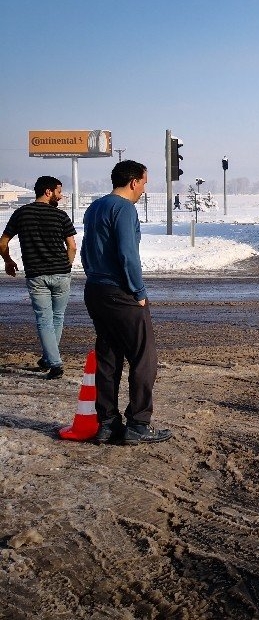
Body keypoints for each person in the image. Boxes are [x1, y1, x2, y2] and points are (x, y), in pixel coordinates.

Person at [81, 160, 171, 445]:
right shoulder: (124, 209)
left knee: (108, 357)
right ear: (134, 182)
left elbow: (85, 250)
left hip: (95, 289)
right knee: (144, 358)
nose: (144, 188)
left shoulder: (95, 207)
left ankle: (107, 423)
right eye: (144, 182)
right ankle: (138, 424)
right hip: (122, 293)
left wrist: (96, 275)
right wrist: (139, 291)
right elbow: (128, 255)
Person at [0, 176, 77, 379]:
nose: (61, 197)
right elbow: (72, 246)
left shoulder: (21, 214)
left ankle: (54, 362)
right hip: (61, 274)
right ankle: (50, 359)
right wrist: (66, 266)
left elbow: (2, 242)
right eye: (59, 192)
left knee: (44, 319)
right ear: (48, 191)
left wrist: (8, 260)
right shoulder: (61, 216)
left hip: (37, 275)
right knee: (57, 317)